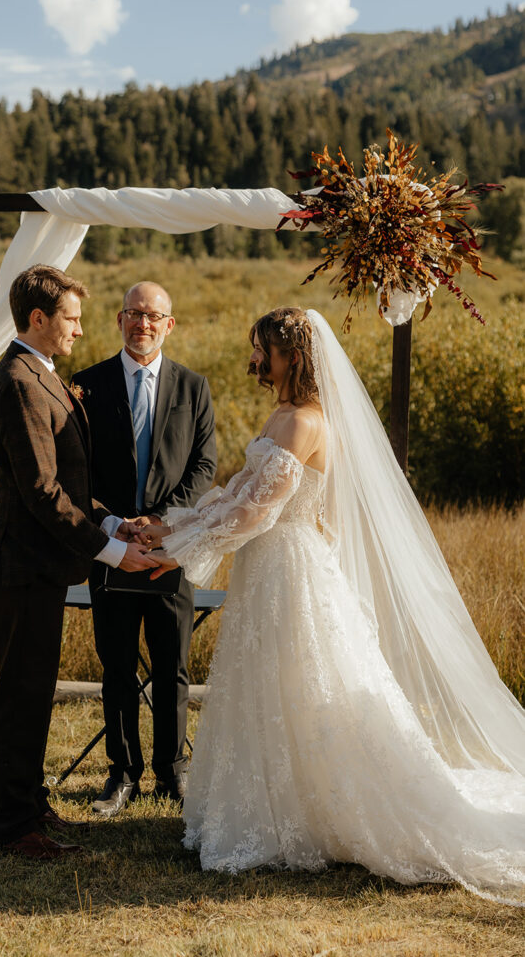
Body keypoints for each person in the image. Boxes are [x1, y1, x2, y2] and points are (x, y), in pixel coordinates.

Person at [144, 306, 525, 905]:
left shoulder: (305, 422)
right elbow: (236, 494)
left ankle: (322, 812)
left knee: (307, 684)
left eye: (263, 348)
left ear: (292, 356)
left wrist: (177, 554)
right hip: (266, 567)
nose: (256, 358)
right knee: (267, 684)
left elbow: (257, 512)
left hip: (291, 570)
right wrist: (169, 528)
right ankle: (278, 805)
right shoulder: (283, 414)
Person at [0, 264, 157, 859]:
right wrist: (112, 552)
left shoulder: (42, 373)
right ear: (39, 318)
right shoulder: (20, 382)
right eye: (71, 319)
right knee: (21, 693)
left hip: (43, 565)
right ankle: (13, 827)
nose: (80, 330)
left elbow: (71, 485)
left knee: (35, 690)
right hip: (23, 563)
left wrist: (111, 521)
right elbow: (40, 491)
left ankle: (31, 807)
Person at [75, 281, 216, 816]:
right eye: (134, 313)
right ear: (119, 319)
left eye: (154, 315)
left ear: (169, 324)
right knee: (116, 667)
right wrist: (114, 523)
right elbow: (77, 469)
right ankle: (122, 773)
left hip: (170, 552)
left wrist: (161, 521)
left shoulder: (193, 387)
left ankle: (172, 771)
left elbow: (204, 464)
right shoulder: (86, 385)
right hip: (110, 546)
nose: (143, 324)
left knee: (172, 667)